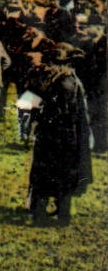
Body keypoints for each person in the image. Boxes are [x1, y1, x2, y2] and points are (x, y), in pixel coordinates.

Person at [28, 44, 93, 226]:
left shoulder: (65, 83)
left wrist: (40, 114)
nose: (47, 66)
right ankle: (52, 214)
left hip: (60, 138)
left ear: (58, 64)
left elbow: (59, 113)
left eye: (50, 62)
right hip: (58, 136)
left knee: (56, 178)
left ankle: (53, 215)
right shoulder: (60, 79)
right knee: (53, 177)